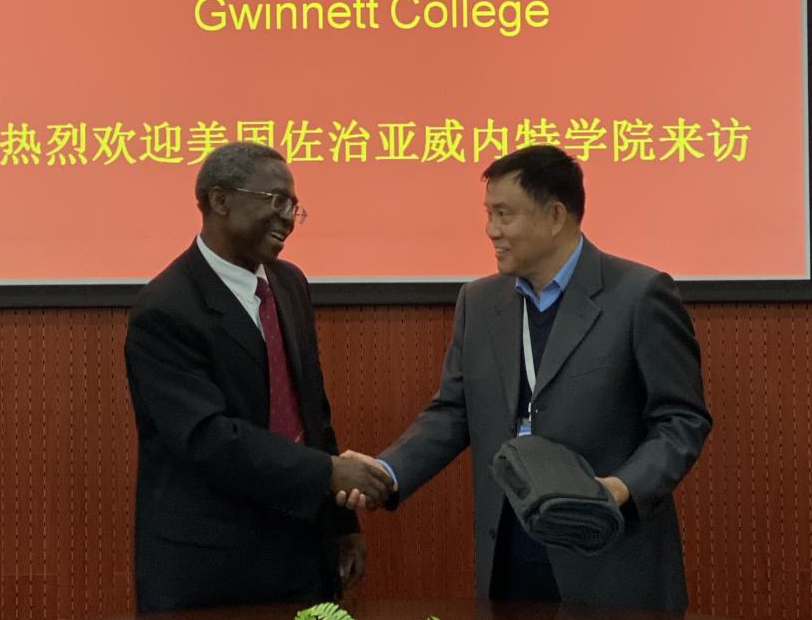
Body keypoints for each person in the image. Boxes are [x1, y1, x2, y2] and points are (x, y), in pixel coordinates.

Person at [340, 145, 712, 612]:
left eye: (504, 214)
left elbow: (681, 420)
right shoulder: (479, 302)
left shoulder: (639, 295)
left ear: (555, 215)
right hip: (510, 550)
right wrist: (387, 471)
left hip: (606, 550)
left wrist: (620, 488)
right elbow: (453, 411)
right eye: (488, 214)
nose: (491, 230)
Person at [125, 141, 390, 612]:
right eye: (276, 200)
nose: (288, 217)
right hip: (211, 568)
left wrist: (342, 525)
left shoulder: (289, 284)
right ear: (220, 200)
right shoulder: (165, 308)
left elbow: (312, 414)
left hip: (301, 553)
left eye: (293, 206)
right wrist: (327, 473)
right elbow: (207, 438)